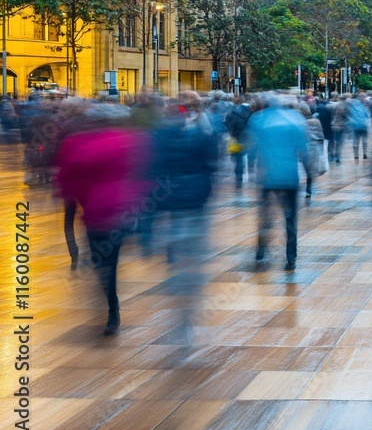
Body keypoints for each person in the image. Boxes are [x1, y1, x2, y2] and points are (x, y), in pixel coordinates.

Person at [55, 105, 150, 335]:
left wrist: (70, 195)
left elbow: (66, 177)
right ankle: (111, 304)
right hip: (121, 212)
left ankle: (110, 301)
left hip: (94, 212)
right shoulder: (128, 140)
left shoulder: (77, 143)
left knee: (101, 261)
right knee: (111, 259)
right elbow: (142, 172)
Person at [150, 92, 218, 342]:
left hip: (174, 203)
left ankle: (180, 285)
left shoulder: (163, 133)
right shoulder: (204, 130)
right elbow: (211, 165)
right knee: (192, 258)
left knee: (180, 252)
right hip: (193, 203)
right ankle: (186, 312)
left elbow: (154, 168)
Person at [248, 95, 308, 271]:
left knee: (265, 215)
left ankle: (261, 250)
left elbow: (251, 147)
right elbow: (303, 149)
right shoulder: (295, 119)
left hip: (267, 174)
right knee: (290, 218)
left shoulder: (258, 119)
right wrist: (308, 170)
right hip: (289, 174)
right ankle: (291, 256)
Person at [299, 103, 328, 202]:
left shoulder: (300, 122)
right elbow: (321, 134)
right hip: (314, 147)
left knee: (306, 167)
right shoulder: (316, 121)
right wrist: (321, 149)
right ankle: (309, 187)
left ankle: (308, 187)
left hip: (304, 148)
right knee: (311, 170)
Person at [225, 99, 253, 189]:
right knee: (248, 156)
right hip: (245, 137)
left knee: (239, 159)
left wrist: (231, 132)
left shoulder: (232, 113)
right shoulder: (250, 114)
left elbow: (227, 123)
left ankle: (239, 178)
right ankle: (249, 170)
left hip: (235, 137)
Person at [348, 94, 371, 160]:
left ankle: (356, 155)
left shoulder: (353, 106)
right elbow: (368, 116)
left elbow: (350, 115)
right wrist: (368, 124)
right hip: (364, 126)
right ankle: (365, 154)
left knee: (355, 141)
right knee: (365, 141)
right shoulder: (365, 107)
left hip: (355, 126)